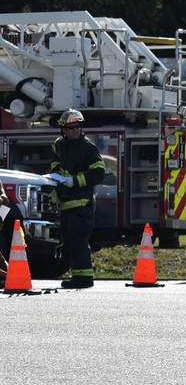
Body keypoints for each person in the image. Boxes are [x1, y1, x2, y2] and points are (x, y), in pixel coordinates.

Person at [49, 109, 106, 289]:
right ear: (63, 129)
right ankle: (78, 275)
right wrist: (56, 188)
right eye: (72, 127)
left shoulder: (88, 148)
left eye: (78, 126)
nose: (76, 130)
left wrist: (75, 181)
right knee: (70, 242)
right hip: (66, 204)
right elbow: (55, 166)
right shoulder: (59, 145)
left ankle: (83, 279)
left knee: (78, 242)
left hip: (82, 204)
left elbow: (99, 173)